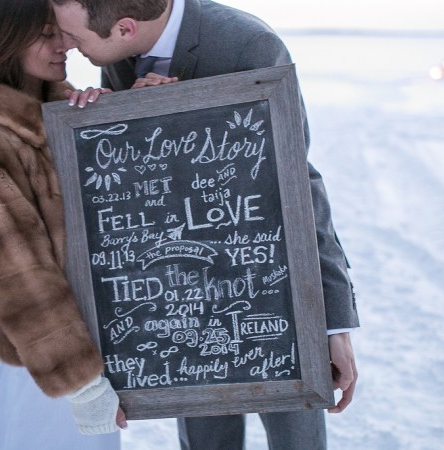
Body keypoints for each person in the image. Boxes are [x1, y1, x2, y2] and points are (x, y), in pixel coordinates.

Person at [49, 0, 360, 448]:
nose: (68, 47)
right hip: (184, 295)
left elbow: (298, 179)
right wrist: (127, 116)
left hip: (270, 280)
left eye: (74, 38)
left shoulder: (247, 45)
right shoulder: (118, 56)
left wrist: (333, 323)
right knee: (203, 430)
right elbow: (140, 183)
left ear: (125, 27)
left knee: (297, 431)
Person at [0, 0, 126, 447]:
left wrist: (135, 110)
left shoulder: (60, 116)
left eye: (59, 30)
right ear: (3, 41)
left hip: (92, 343)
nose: (64, 43)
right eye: (46, 34)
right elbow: (20, 279)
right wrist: (81, 383)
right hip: (51, 360)